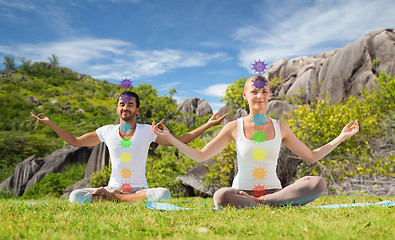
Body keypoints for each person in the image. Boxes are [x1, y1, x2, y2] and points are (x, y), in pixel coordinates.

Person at [152, 75, 359, 209]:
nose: (259, 96)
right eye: (254, 91)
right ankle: (269, 204)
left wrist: (342, 136)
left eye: (264, 91)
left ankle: (261, 203)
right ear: (245, 95)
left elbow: (312, 156)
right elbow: (201, 155)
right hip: (241, 193)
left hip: (275, 192)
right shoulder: (233, 127)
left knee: (317, 183)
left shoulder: (281, 127)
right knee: (222, 196)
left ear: (269, 95)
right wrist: (170, 138)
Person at [31, 91, 227, 203]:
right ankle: (116, 196)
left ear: (137, 109)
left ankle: (114, 199)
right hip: (113, 186)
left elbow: (181, 140)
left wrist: (208, 125)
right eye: (122, 104)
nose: (126, 107)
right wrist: (50, 124)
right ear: (117, 108)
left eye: (130, 104)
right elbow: (76, 141)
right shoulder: (106, 131)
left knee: (163, 194)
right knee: (75, 196)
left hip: (140, 190)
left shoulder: (148, 131)